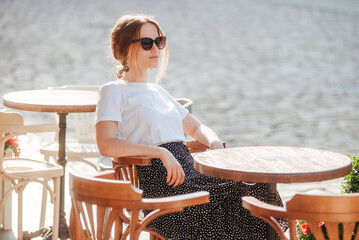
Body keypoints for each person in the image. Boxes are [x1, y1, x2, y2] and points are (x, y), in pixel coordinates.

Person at [95, 13, 286, 240]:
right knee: (241, 195)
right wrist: (160, 152)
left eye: (160, 41)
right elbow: (106, 144)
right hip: (161, 184)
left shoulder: (159, 92)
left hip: (190, 174)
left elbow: (197, 129)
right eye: (147, 43)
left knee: (258, 184)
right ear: (125, 48)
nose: (156, 48)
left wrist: (214, 143)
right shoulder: (113, 91)